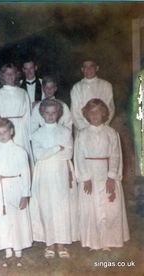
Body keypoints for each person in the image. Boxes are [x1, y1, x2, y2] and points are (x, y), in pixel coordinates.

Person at [74, 99, 129, 250]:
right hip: (90, 174)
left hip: (106, 173)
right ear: (86, 114)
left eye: (98, 111)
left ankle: (108, 241)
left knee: (109, 206)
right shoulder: (82, 134)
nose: (95, 115)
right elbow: (78, 157)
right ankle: (93, 241)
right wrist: (85, 178)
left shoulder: (111, 133)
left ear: (104, 113)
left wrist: (111, 176)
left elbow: (116, 155)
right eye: (91, 112)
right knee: (91, 207)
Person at [29, 99, 79, 258]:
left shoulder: (65, 132)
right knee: (46, 206)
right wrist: (57, 148)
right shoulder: (36, 134)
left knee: (61, 206)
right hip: (44, 173)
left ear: (58, 114)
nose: (50, 116)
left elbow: (68, 153)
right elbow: (38, 155)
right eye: (47, 113)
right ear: (42, 114)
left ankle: (61, 244)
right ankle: (49, 244)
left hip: (61, 171)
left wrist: (50, 152)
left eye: (53, 113)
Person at [0, 118, 32, 262]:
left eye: (5, 132)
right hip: (1, 189)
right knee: (3, 219)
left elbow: (25, 173)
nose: (2, 135)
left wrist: (25, 194)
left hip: (16, 186)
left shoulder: (20, 151)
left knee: (17, 217)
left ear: (11, 132)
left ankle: (18, 246)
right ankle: (7, 247)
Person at [0, 63, 33, 164]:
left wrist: (29, 135)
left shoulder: (23, 92)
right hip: (4, 130)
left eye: (12, 73)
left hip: (21, 130)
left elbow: (28, 115)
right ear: (2, 76)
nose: (10, 76)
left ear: (16, 75)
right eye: (7, 74)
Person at [70, 59, 115, 131]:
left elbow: (110, 109)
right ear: (82, 69)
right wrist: (86, 129)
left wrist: (102, 126)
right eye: (85, 67)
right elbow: (75, 112)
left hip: (102, 128)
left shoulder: (106, 85)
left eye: (91, 66)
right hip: (82, 129)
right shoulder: (77, 87)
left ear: (97, 68)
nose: (88, 69)